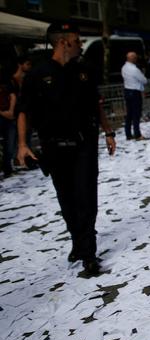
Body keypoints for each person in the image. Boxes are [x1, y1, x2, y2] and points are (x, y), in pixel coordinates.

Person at [16, 22, 116, 276]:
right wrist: (22, 145)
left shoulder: (84, 71)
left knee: (86, 199)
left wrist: (109, 132)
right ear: (63, 42)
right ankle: (77, 242)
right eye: (77, 39)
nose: (80, 44)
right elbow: (24, 111)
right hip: (54, 148)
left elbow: (97, 105)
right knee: (67, 200)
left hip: (84, 145)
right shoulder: (38, 74)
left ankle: (89, 254)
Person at [121, 51, 147, 140]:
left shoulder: (124, 68)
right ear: (133, 58)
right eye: (135, 57)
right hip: (135, 92)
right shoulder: (134, 69)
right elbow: (144, 80)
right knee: (136, 114)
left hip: (127, 91)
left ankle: (128, 134)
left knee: (129, 114)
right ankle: (137, 134)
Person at [0, 66, 17, 177]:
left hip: (8, 116)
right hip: (3, 114)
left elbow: (13, 95)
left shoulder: (5, 78)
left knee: (9, 144)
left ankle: (8, 167)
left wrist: (11, 111)